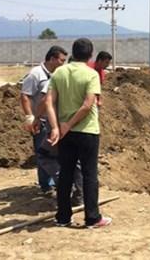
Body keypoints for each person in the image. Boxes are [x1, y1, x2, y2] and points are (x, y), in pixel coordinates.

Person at [46, 38, 111, 228]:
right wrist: (68, 125)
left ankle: (63, 217)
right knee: (90, 174)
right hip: (87, 131)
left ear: (73, 53)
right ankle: (92, 218)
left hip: (66, 133)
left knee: (66, 173)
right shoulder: (91, 75)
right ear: (91, 55)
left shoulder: (59, 73)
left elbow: (49, 101)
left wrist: (57, 127)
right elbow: (88, 105)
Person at [20, 46, 67, 194]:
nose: (63, 63)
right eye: (61, 60)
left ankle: (52, 182)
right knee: (43, 153)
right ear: (52, 59)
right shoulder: (36, 74)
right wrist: (30, 117)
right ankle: (45, 186)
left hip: (51, 119)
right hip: (40, 120)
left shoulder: (54, 75)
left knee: (53, 153)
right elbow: (25, 96)